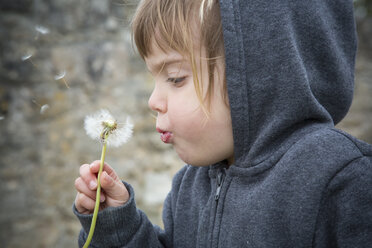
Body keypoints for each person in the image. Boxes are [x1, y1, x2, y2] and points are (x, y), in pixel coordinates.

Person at [73, 0, 372, 247]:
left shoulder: (341, 180)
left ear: (257, 75)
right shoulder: (188, 188)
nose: (153, 101)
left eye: (176, 78)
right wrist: (117, 230)